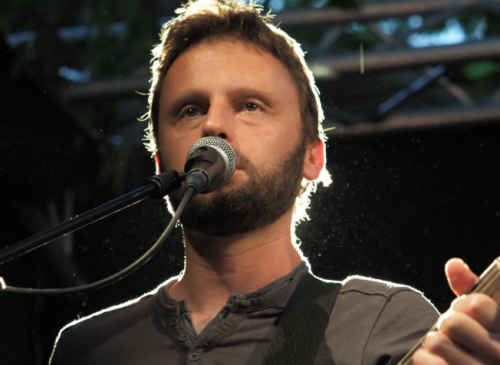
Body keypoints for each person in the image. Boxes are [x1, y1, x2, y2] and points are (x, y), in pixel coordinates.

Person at [49, 1, 500, 364]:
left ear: (311, 156)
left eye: (250, 105)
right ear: (162, 160)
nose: (213, 123)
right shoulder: (86, 348)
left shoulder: (381, 323)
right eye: (189, 110)